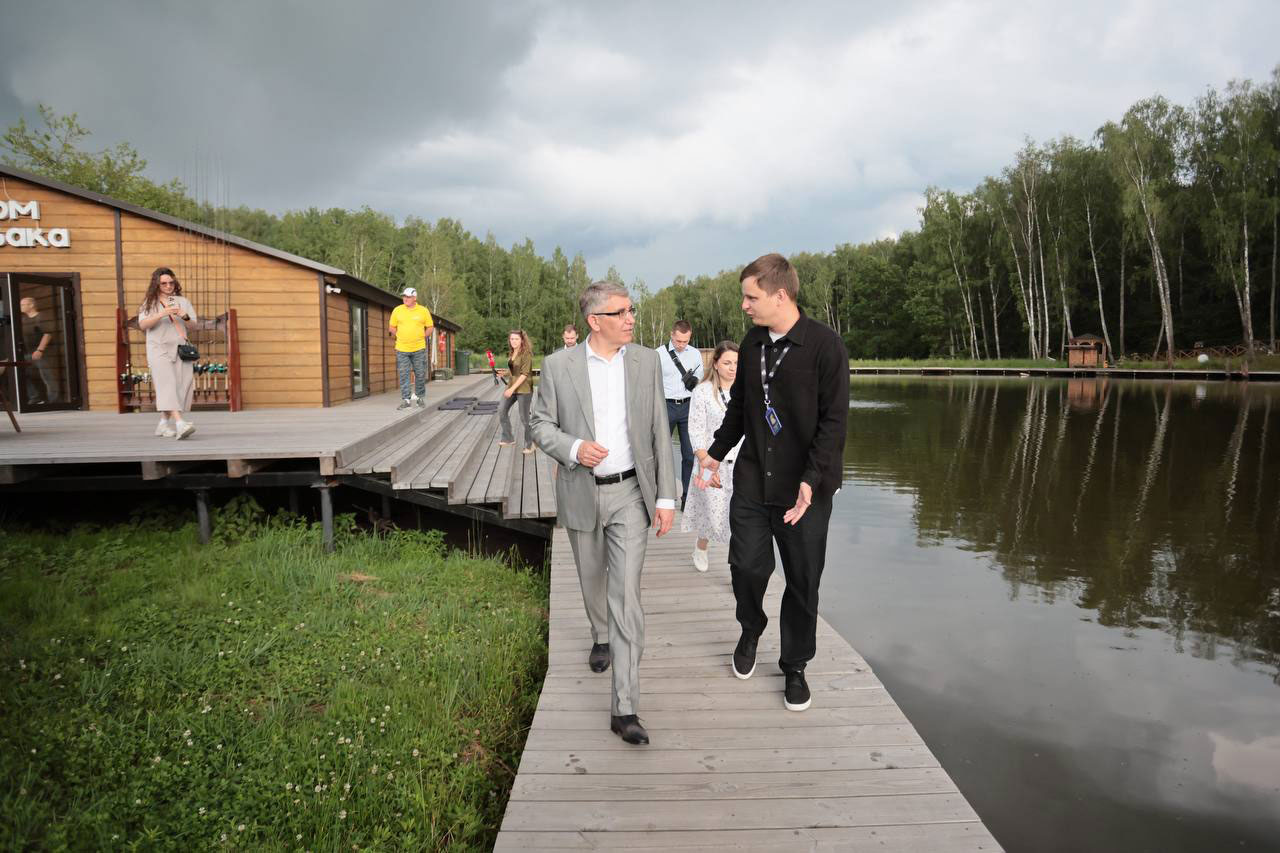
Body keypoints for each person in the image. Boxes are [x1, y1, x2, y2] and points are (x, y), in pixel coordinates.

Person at [696, 253, 849, 713]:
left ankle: (795, 666)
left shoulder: (825, 346)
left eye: (751, 297)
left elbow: (834, 424)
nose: (744, 305)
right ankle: (751, 627)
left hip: (804, 491)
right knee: (745, 567)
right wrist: (715, 454)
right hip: (752, 480)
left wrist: (811, 479)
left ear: (780, 295)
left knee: (802, 581)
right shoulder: (753, 343)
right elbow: (741, 409)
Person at [530, 281, 677, 746]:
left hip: (632, 493)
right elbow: (539, 424)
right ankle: (600, 634)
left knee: (626, 596)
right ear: (595, 321)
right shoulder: (558, 366)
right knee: (592, 579)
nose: (631, 319)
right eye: (621, 312)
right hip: (581, 492)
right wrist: (574, 447)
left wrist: (666, 497)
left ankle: (624, 708)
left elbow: (659, 429)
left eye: (632, 310)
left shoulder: (646, 361)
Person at [682, 341, 741, 572]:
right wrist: (705, 463)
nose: (732, 368)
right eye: (727, 363)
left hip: (742, 464)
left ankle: (739, 566)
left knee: (740, 517)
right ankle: (701, 546)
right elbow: (695, 430)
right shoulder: (703, 392)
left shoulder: (746, 391)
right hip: (710, 462)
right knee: (712, 514)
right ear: (715, 364)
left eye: (736, 363)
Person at [137, 267, 198, 439]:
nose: (168, 286)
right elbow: (143, 325)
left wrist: (184, 316)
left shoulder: (183, 301)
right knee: (167, 384)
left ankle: (163, 424)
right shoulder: (149, 303)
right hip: (158, 349)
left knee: (182, 385)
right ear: (156, 284)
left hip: (180, 349)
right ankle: (180, 423)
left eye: (171, 282)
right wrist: (161, 314)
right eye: (164, 283)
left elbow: (193, 326)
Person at [658, 319, 703, 507]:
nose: (682, 345)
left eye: (685, 341)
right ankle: (661, 496)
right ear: (672, 335)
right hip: (665, 406)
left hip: (688, 407)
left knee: (689, 455)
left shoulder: (695, 354)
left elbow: (700, 383)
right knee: (660, 453)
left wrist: (694, 381)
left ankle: (686, 498)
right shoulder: (658, 354)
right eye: (678, 341)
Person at [389, 287, 434, 410]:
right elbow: (391, 327)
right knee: (404, 374)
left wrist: (423, 336)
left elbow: (430, 327)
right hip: (402, 349)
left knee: (420, 373)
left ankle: (419, 398)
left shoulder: (423, 311)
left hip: (419, 348)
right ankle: (406, 400)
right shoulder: (397, 310)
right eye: (404, 296)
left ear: (414, 298)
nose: (405, 298)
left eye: (408, 297)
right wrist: (399, 335)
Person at [498, 329, 535, 453]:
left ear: (522, 340)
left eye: (516, 339)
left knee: (524, 418)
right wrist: (504, 373)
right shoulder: (512, 352)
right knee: (502, 410)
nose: (513, 341)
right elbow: (514, 370)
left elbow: (524, 374)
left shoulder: (526, 354)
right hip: (511, 386)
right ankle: (508, 438)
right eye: (512, 339)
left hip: (524, 389)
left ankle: (531, 443)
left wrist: (512, 389)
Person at [18, 296, 56, 404]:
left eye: (23, 304)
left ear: (31, 305)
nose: (20, 307)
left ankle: (53, 401)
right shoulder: (24, 319)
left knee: (47, 377)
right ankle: (36, 397)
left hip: (42, 353)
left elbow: (47, 334)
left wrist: (40, 350)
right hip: (28, 354)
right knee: (25, 374)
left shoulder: (41, 317)